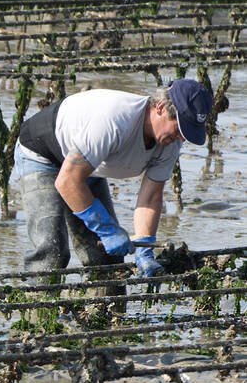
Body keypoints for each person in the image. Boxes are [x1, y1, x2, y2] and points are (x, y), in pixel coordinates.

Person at [13, 79, 213, 277]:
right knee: (51, 251)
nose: (181, 138)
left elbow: (150, 197)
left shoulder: (171, 142)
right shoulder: (115, 120)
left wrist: (145, 249)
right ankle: (40, 307)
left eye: (187, 132)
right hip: (42, 154)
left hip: (89, 166)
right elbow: (67, 181)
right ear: (160, 107)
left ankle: (108, 309)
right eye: (179, 128)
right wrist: (106, 229)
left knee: (107, 257)